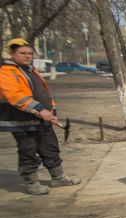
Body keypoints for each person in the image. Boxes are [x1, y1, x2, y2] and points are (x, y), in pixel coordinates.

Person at [0, 38, 81, 195]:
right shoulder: (6, 72)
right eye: (22, 53)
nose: (27, 56)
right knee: (28, 151)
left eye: (30, 53)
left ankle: (58, 178)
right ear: (12, 54)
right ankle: (31, 182)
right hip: (21, 121)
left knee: (50, 148)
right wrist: (40, 110)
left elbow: (44, 94)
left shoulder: (31, 71)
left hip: (41, 119)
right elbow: (16, 96)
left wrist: (52, 112)